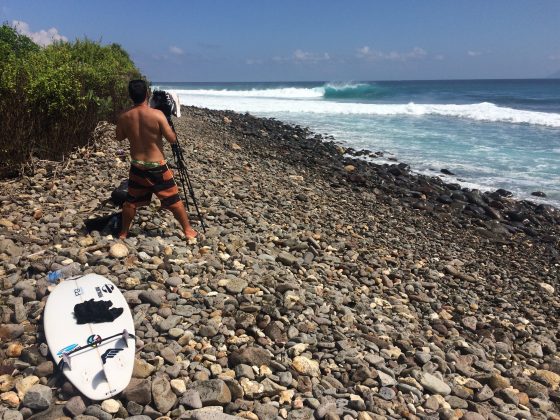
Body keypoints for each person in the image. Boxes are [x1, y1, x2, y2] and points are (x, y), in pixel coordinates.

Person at [115, 79, 197, 240]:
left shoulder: (125, 116)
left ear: (130, 96)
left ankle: (123, 233)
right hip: (157, 167)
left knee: (131, 201)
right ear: (147, 94)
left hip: (137, 165)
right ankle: (188, 230)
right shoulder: (157, 115)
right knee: (173, 199)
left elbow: (119, 137)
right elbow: (172, 139)